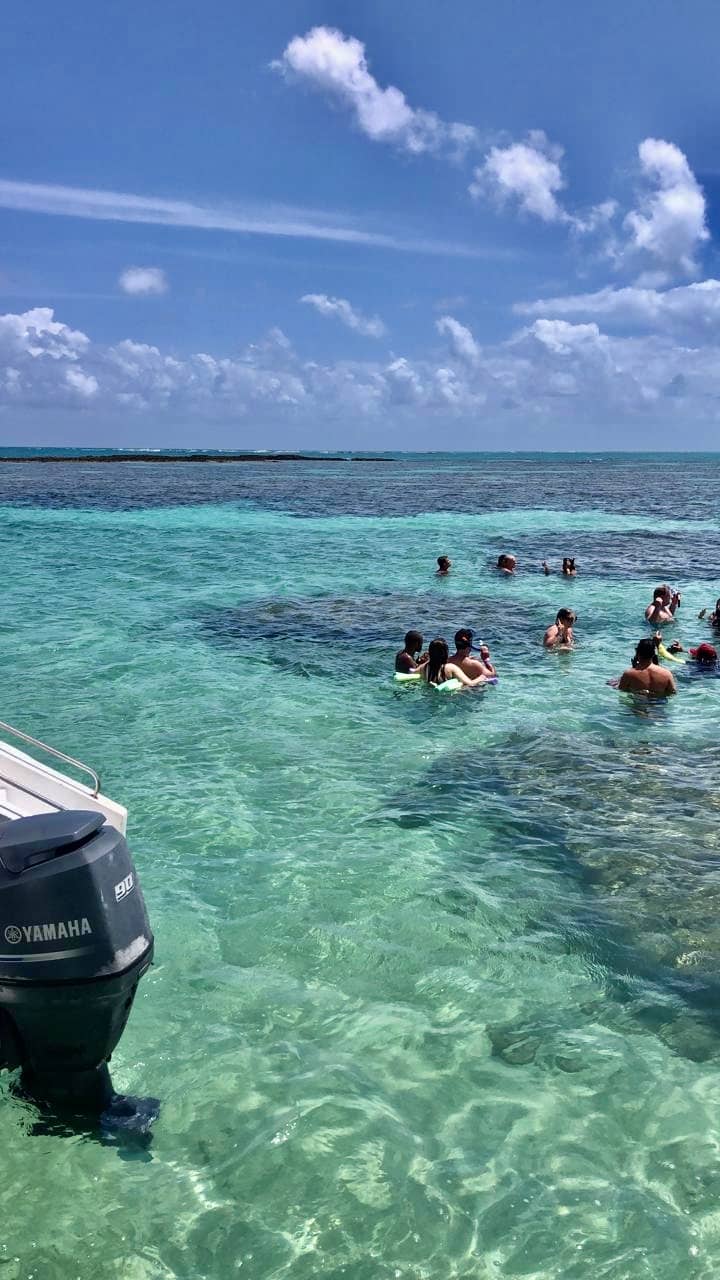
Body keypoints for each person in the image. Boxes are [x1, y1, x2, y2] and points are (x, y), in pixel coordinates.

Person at [418, 638, 487, 688]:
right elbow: (470, 683)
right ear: (445, 653)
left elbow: (413, 671)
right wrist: (482, 677)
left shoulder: (424, 667)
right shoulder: (450, 668)